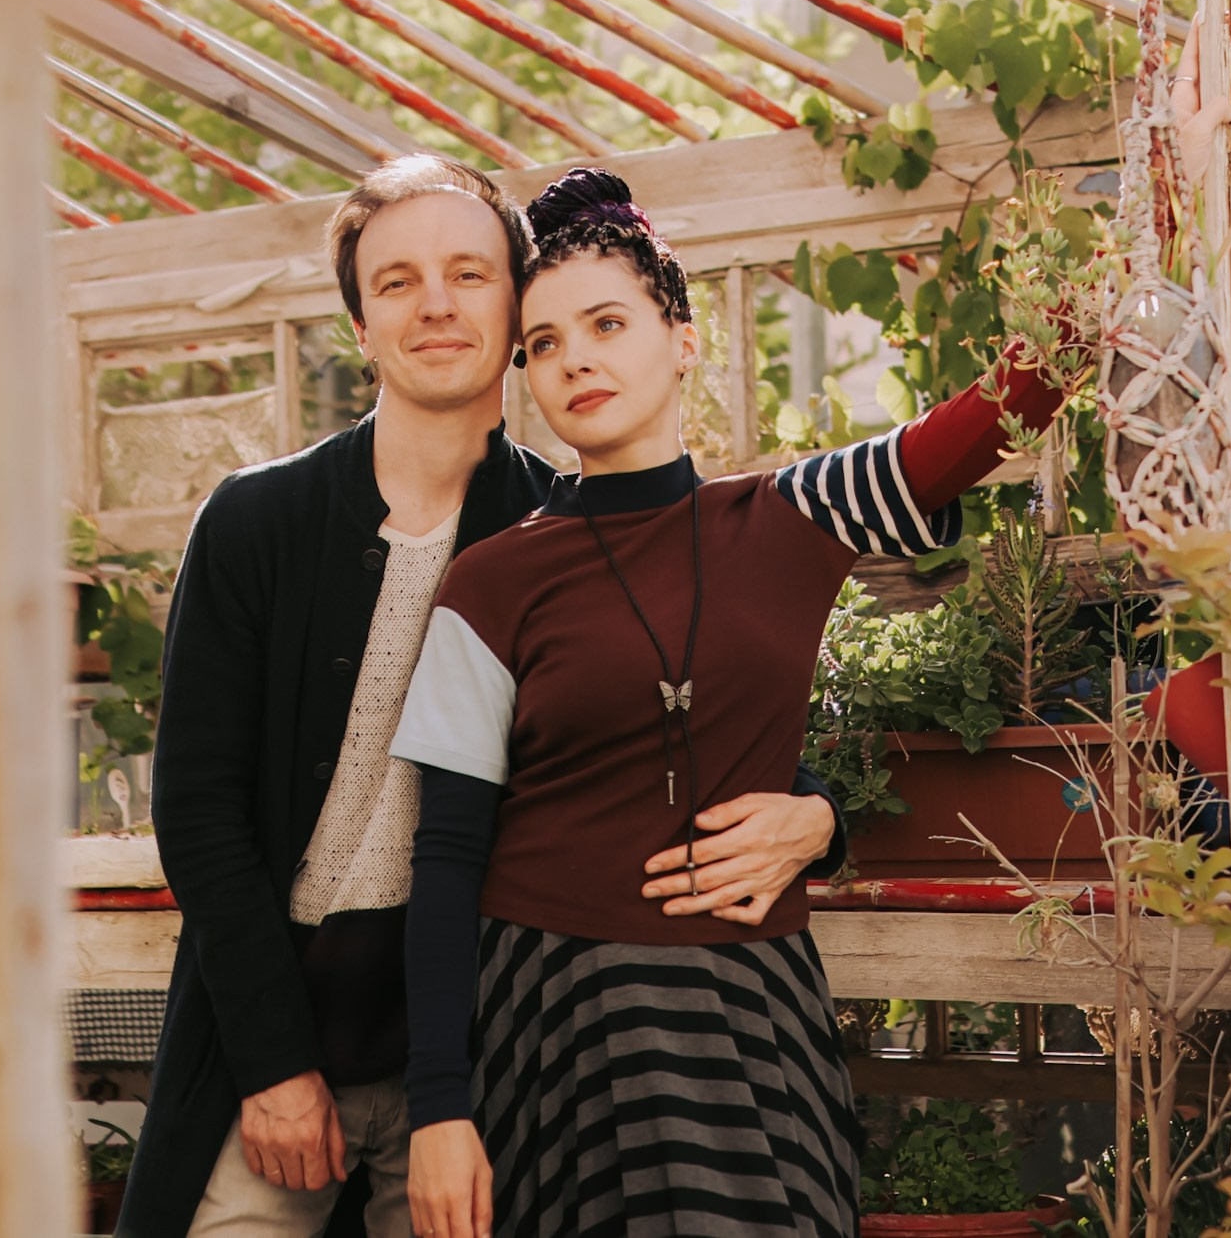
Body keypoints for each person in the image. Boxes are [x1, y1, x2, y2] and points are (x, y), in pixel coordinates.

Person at [116, 154, 849, 1238]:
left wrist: (821, 816)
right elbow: (198, 812)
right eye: (396, 281)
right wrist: (273, 1066)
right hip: (268, 1040)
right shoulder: (253, 523)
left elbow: (669, 726)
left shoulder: (566, 530)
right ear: (359, 326)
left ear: (515, 314)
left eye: (468, 272)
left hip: (472, 1053)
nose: (436, 304)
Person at [391, 168, 1075, 1238]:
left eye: (606, 322)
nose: (575, 358)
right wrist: (437, 1106)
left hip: (752, 1001)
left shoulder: (789, 516)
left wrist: (1097, 298)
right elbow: (441, 855)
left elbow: (982, 425)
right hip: (558, 1012)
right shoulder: (489, 581)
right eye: (543, 343)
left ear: (683, 336)